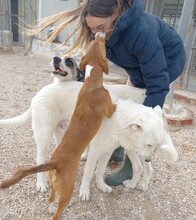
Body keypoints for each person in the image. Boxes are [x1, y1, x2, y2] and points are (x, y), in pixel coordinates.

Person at [32, 0, 186, 186]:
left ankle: (131, 165)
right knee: (131, 98)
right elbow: (94, 66)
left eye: (100, 27)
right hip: (137, 63)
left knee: (143, 105)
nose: (96, 32)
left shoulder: (141, 31)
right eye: (91, 28)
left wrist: (146, 120)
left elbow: (158, 85)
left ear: (115, 15)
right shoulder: (102, 30)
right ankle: (117, 146)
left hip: (169, 58)